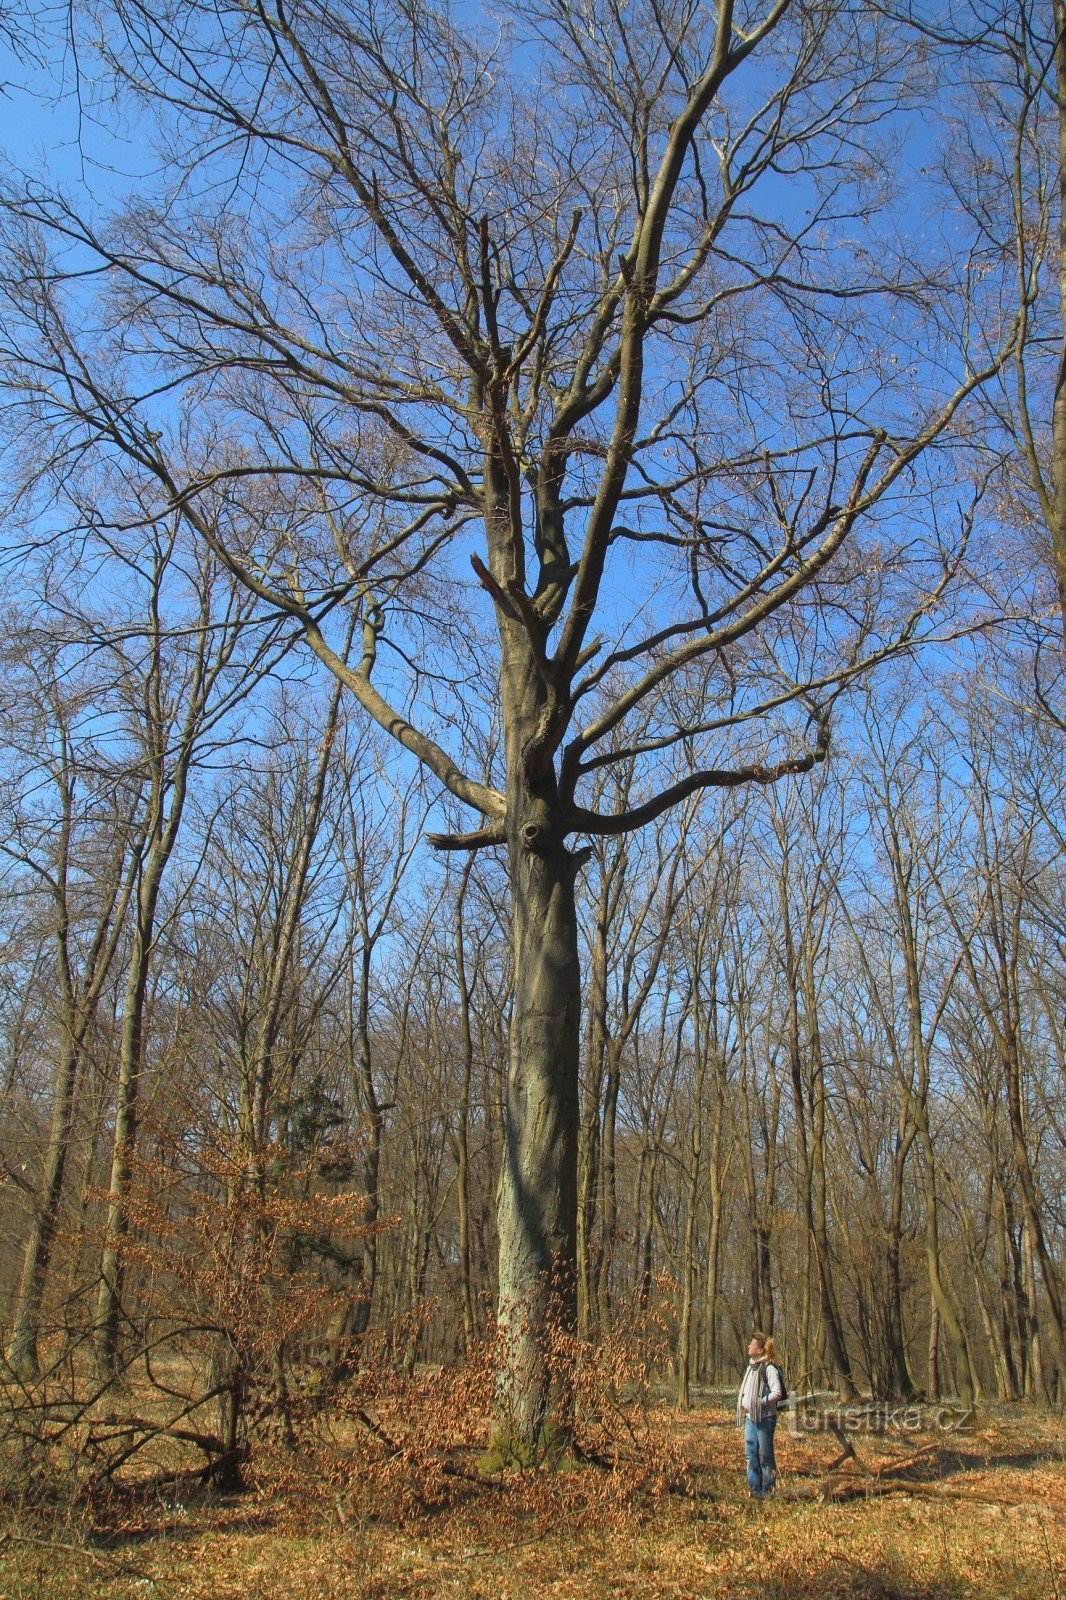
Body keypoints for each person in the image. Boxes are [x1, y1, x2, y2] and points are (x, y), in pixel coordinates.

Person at [736, 1331, 785, 1498]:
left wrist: (760, 1402)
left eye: (752, 1345)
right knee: (750, 1455)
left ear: (760, 1350)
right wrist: (744, 1403)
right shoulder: (751, 1367)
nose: (749, 1346)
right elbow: (747, 1392)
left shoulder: (768, 1368)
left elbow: (777, 1393)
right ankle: (754, 1491)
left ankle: (768, 1491)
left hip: (765, 1419)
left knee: (765, 1457)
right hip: (750, 1418)